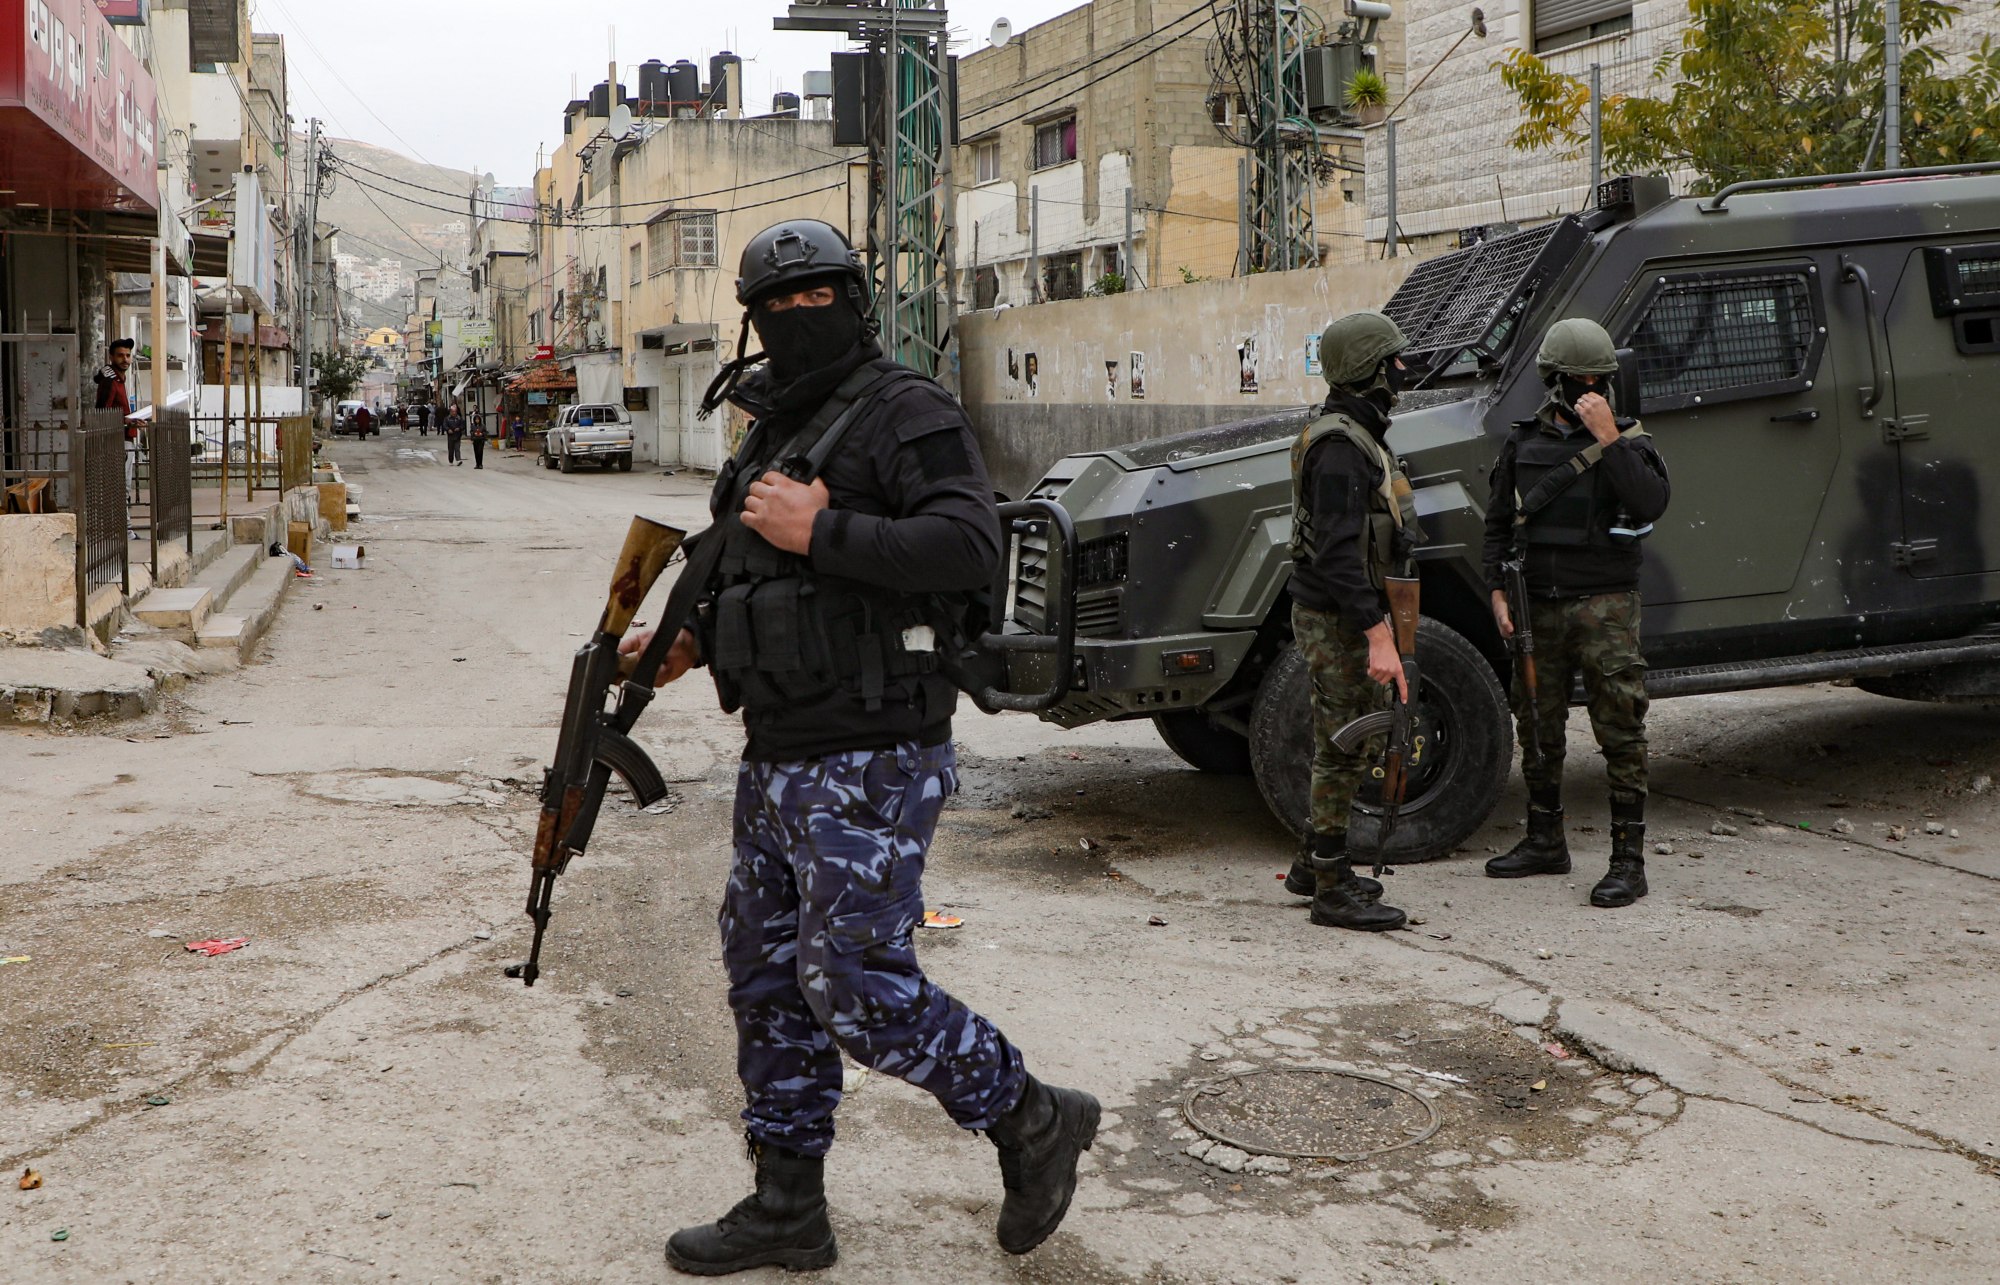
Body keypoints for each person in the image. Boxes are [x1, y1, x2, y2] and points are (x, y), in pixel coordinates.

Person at [619, 218, 1096, 1276]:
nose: (798, 318)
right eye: (777, 306)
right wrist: (690, 640)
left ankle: (1030, 1115)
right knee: (766, 977)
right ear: (749, 321)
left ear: (854, 300)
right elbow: (758, 577)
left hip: (874, 749)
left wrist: (822, 531)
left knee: (855, 985)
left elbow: (971, 549)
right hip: (779, 749)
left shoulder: (903, 410)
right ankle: (788, 1204)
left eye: (818, 297)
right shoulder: (769, 432)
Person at [1482, 317, 1671, 908]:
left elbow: (1651, 501)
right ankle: (1544, 840)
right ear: (1554, 380)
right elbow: (1497, 525)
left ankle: (1628, 860)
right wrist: (1495, 591)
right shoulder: (1523, 442)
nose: (1591, 386)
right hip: (1537, 606)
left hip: (1606, 605)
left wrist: (1609, 438)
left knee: (1619, 727)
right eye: (1579, 378)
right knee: (1537, 726)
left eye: (1601, 378)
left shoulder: (1630, 441)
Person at [1280, 311, 1421, 933]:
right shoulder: (1340, 448)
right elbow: (1338, 556)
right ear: (1369, 370)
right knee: (1341, 750)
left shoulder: (1355, 432)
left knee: (1338, 740)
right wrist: (1378, 636)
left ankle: (1312, 866)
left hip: (1340, 613)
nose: (1403, 371)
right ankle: (1330, 890)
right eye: (1394, 361)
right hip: (1338, 618)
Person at [93, 338, 134, 414]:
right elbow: (101, 415)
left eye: (128, 355)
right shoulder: (109, 381)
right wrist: (127, 421)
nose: (125, 359)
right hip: (114, 426)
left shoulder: (120, 379)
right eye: (120, 355)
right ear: (111, 357)